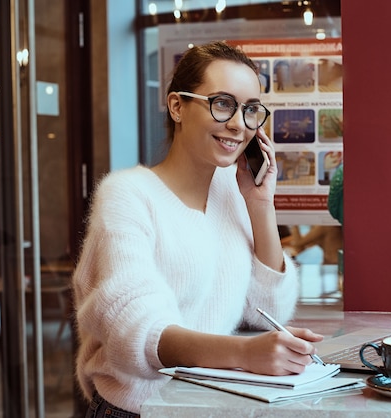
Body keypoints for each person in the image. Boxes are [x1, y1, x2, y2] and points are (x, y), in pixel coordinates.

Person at [72, 41, 323, 417]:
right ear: (177, 106)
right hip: (140, 410)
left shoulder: (233, 192)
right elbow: (136, 333)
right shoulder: (127, 195)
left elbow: (268, 309)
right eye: (223, 104)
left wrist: (260, 205)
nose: (239, 124)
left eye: (251, 110)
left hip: (212, 403)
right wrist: (244, 354)